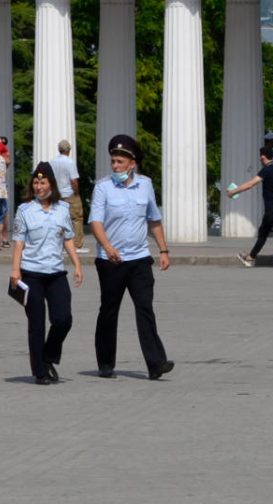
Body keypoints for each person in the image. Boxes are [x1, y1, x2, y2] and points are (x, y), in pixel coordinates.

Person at [89, 134, 175, 380]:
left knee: (145, 308)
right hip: (111, 261)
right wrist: (108, 247)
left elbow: (154, 219)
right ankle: (106, 363)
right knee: (109, 310)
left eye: (119, 162)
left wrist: (164, 250)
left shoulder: (145, 185)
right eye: (113, 161)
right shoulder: (103, 187)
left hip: (139, 258)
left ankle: (156, 363)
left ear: (132, 163)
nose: (115, 166)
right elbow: (95, 222)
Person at [10, 162, 83, 385]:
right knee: (37, 324)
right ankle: (40, 372)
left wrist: (77, 265)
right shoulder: (25, 210)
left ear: (51, 184)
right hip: (31, 273)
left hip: (56, 273)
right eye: (36, 182)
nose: (39, 186)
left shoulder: (62, 209)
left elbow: (68, 239)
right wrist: (15, 270)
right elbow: (19, 243)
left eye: (43, 182)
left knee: (63, 320)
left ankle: (49, 355)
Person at [227, 147, 273, 269]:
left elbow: (250, 184)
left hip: (272, 208)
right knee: (263, 233)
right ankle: (250, 258)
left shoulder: (266, 171)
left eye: (260, 156)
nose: (259, 159)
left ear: (263, 157)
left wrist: (234, 191)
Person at [49, 139, 88, 253]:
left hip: (57, 194)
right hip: (69, 193)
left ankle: (59, 243)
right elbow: (74, 181)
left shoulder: (52, 162)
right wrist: (77, 192)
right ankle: (77, 244)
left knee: (59, 219)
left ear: (59, 149)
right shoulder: (70, 162)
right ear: (69, 150)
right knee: (76, 218)